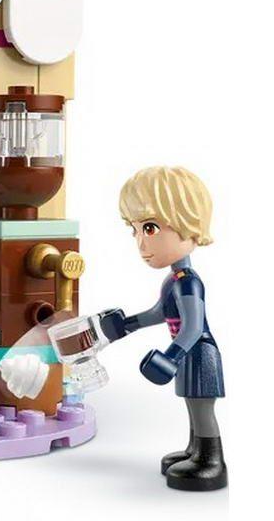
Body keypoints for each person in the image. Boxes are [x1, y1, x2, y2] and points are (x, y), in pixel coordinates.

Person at [98, 166, 227, 491]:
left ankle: (211, 461)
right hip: (187, 353)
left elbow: (193, 327)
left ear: (187, 224)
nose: (141, 242)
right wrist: (126, 325)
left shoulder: (189, 283)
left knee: (200, 406)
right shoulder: (174, 280)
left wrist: (171, 357)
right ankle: (195, 451)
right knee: (191, 402)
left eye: (150, 228)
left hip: (198, 353)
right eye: (134, 230)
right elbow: (160, 313)